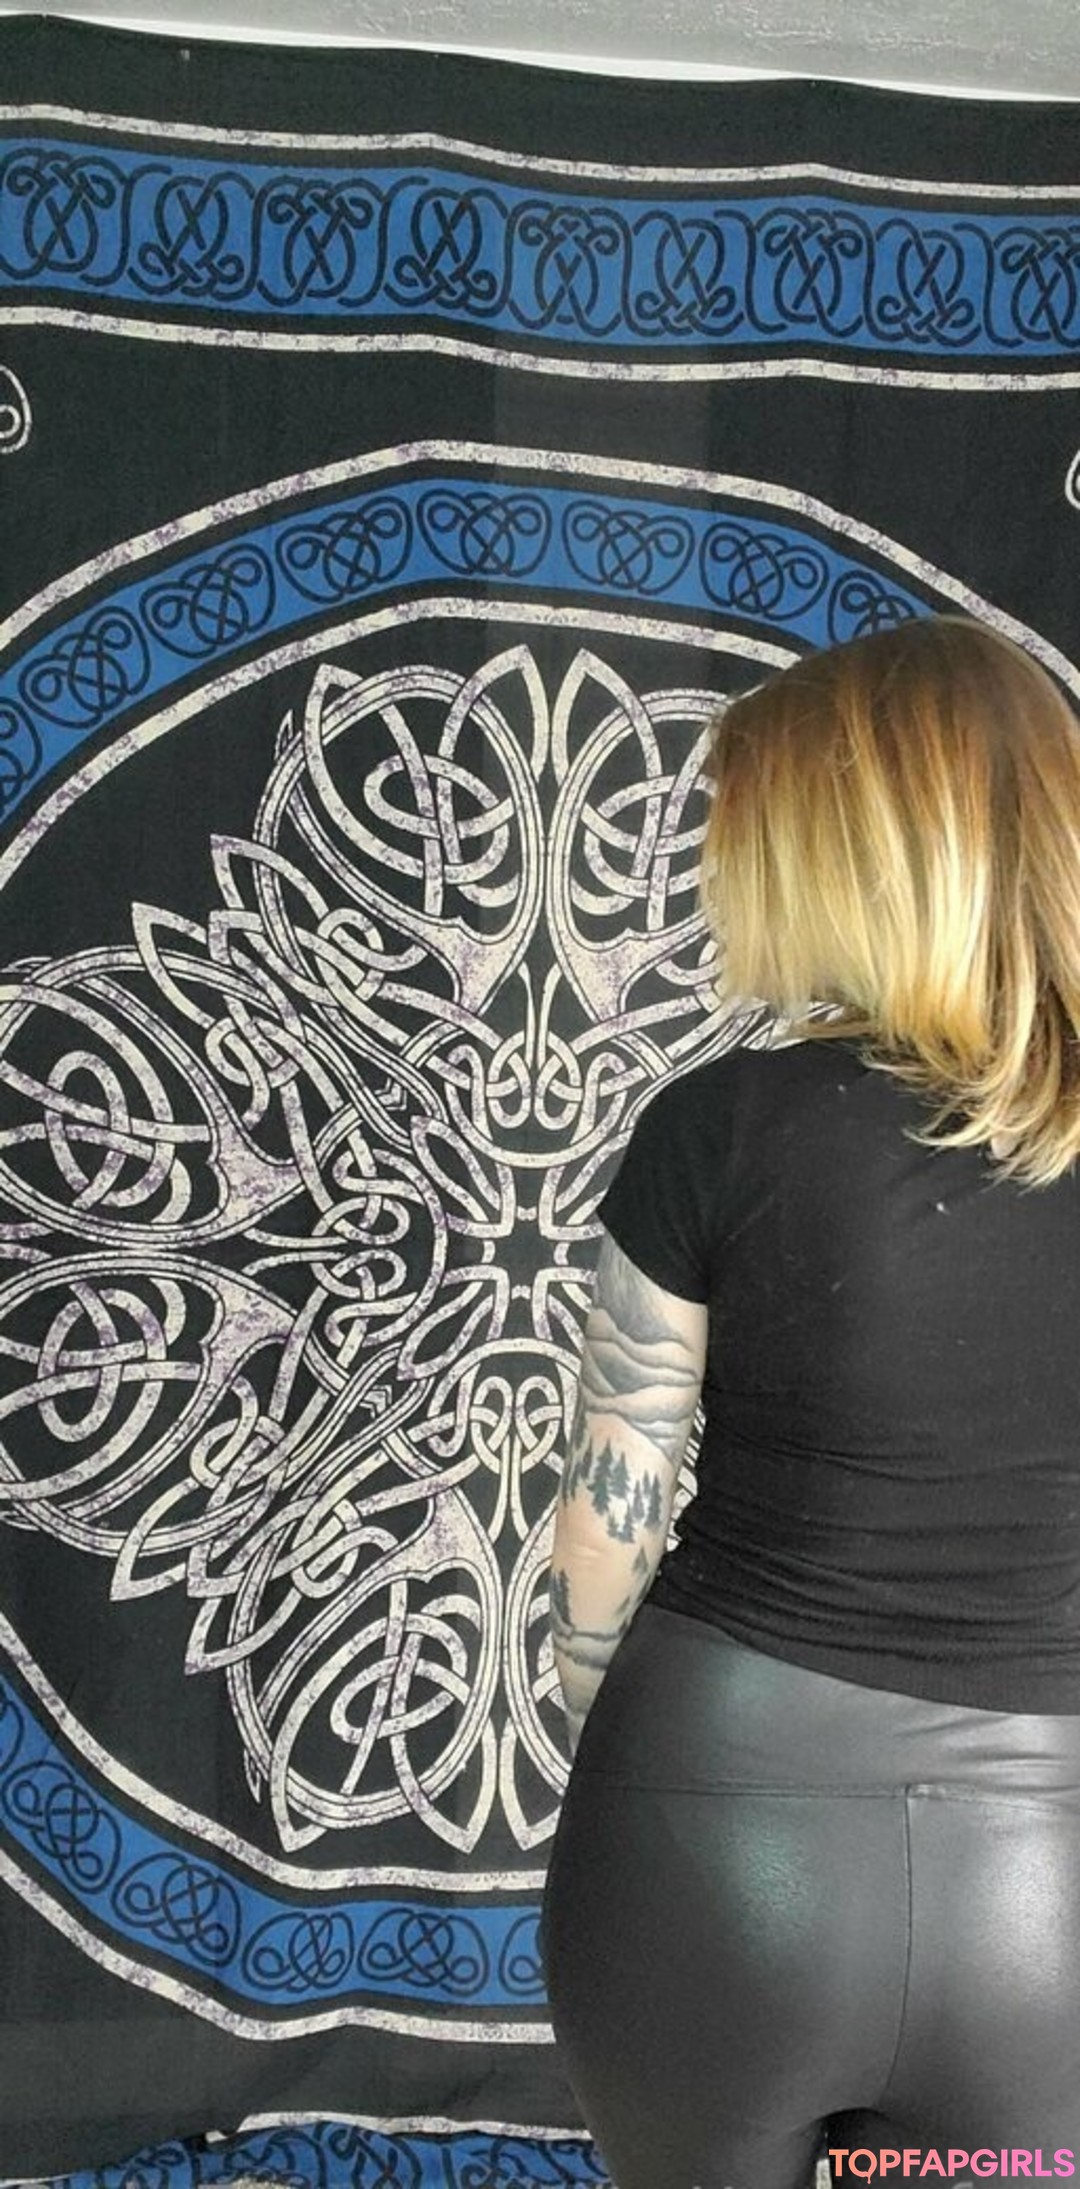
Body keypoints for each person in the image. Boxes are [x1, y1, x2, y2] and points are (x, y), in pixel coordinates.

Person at [539, 612, 1080, 2189]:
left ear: (842, 859)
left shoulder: (718, 1123)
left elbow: (604, 1527)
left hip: (713, 1833)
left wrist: (630, 1761)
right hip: (1043, 1886)